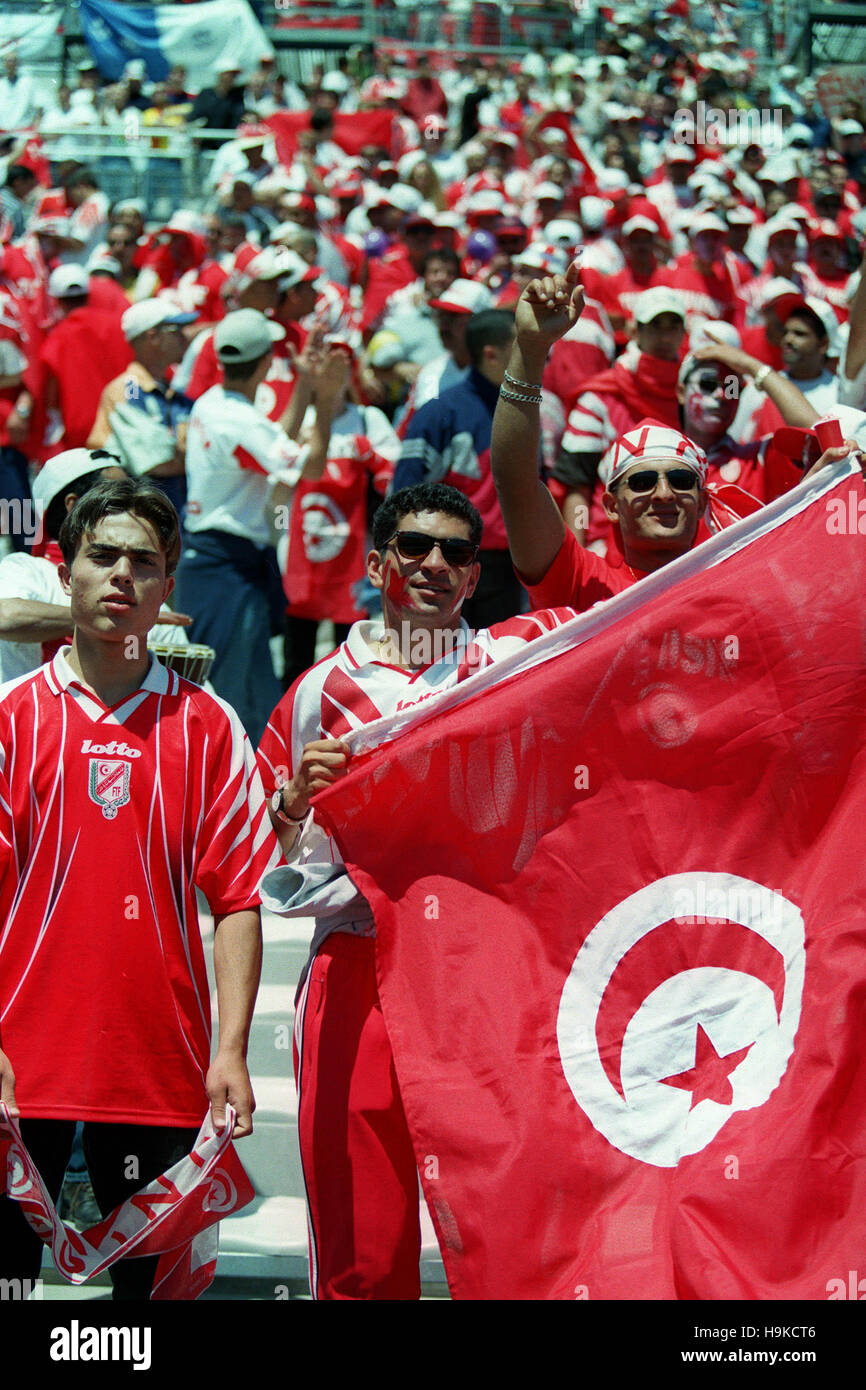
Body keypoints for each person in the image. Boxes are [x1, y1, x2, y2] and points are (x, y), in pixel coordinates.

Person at [0, 476, 275, 1301]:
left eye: (145, 564)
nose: (122, 576)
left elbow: (238, 897)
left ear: (170, 581)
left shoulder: (209, 722)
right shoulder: (10, 717)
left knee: (148, 1312)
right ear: (63, 569)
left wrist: (229, 1052)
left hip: (162, 1069)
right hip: (19, 1069)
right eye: (102, 555)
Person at [174, 308, 348, 743]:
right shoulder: (240, 418)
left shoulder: (212, 403)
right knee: (229, 696)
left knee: (247, 691)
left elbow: (272, 444)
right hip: (226, 567)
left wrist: (306, 386)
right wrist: (325, 400)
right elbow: (310, 465)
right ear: (267, 362)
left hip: (215, 561)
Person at [0, 448, 190, 685]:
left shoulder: (149, 597)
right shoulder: (26, 570)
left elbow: (194, 694)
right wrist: (103, 617)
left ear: (166, 589)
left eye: (141, 560)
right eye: (114, 495)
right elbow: (5, 617)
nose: (130, 504)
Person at [393, 308, 524, 626]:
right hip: (448, 565)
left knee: (497, 668)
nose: (536, 355)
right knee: (440, 667)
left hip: (511, 567)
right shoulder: (439, 413)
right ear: (492, 355)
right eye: (520, 347)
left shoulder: (528, 410)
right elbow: (403, 495)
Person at [87, 299, 198, 517]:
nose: (185, 338)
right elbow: (154, 460)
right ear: (152, 336)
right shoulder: (128, 390)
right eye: (176, 330)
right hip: (144, 517)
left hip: (176, 513)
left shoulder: (172, 393)